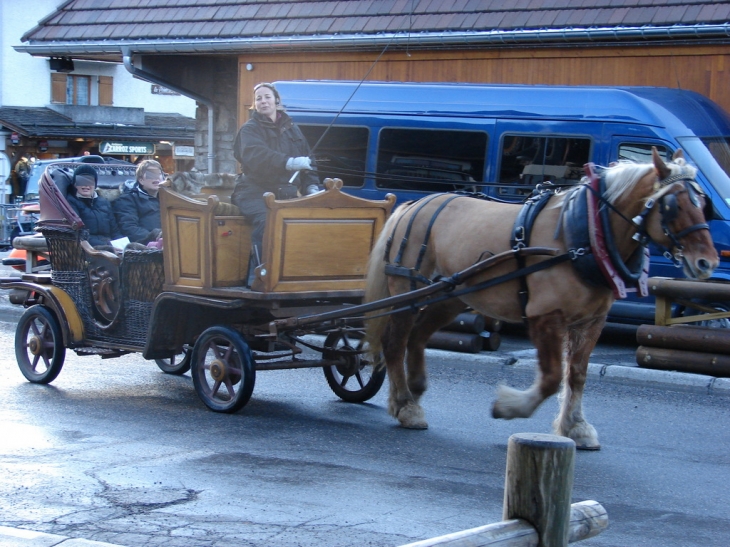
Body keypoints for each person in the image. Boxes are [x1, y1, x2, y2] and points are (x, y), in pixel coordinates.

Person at [231, 82, 322, 276]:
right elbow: (256, 156)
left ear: (276, 100)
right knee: (267, 220)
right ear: (255, 104)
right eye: (258, 99)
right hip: (253, 191)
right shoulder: (249, 130)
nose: (263, 101)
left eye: (267, 97)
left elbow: (308, 159)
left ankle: (298, 274)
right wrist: (288, 162)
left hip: (286, 192)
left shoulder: (293, 129)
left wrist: (312, 186)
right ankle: (259, 275)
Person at [66, 164, 124, 248]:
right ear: (75, 184)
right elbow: (78, 234)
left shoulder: (104, 202)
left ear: (95, 184)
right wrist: (108, 246)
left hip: (109, 246)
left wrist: (123, 246)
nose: (86, 185)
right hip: (86, 249)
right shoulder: (70, 202)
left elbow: (115, 231)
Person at [113, 159, 163, 244]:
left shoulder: (168, 199)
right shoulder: (128, 199)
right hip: (147, 247)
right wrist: (156, 238)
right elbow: (129, 228)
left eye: (158, 174)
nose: (156, 178)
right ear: (141, 180)